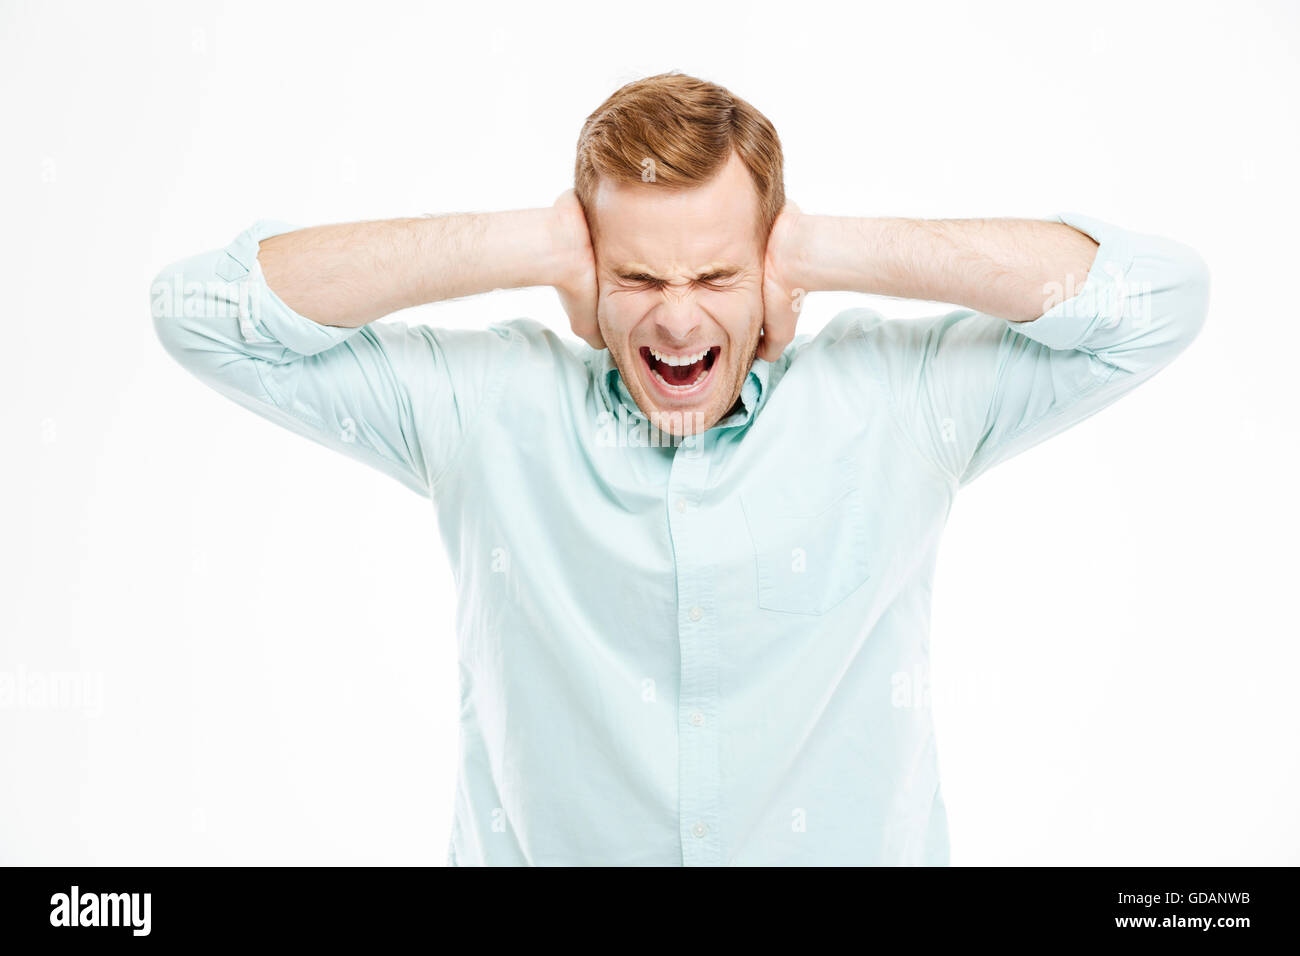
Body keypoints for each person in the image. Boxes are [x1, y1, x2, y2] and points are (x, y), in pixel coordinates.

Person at [150, 71, 1210, 866]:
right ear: (587, 279)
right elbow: (201, 315)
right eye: (637, 274)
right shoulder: (489, 409)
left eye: (714, 272)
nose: (675, 314)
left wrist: (823, 249)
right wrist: (531, 243)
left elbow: (1154, 304)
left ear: (767, 274)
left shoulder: (895, 401)